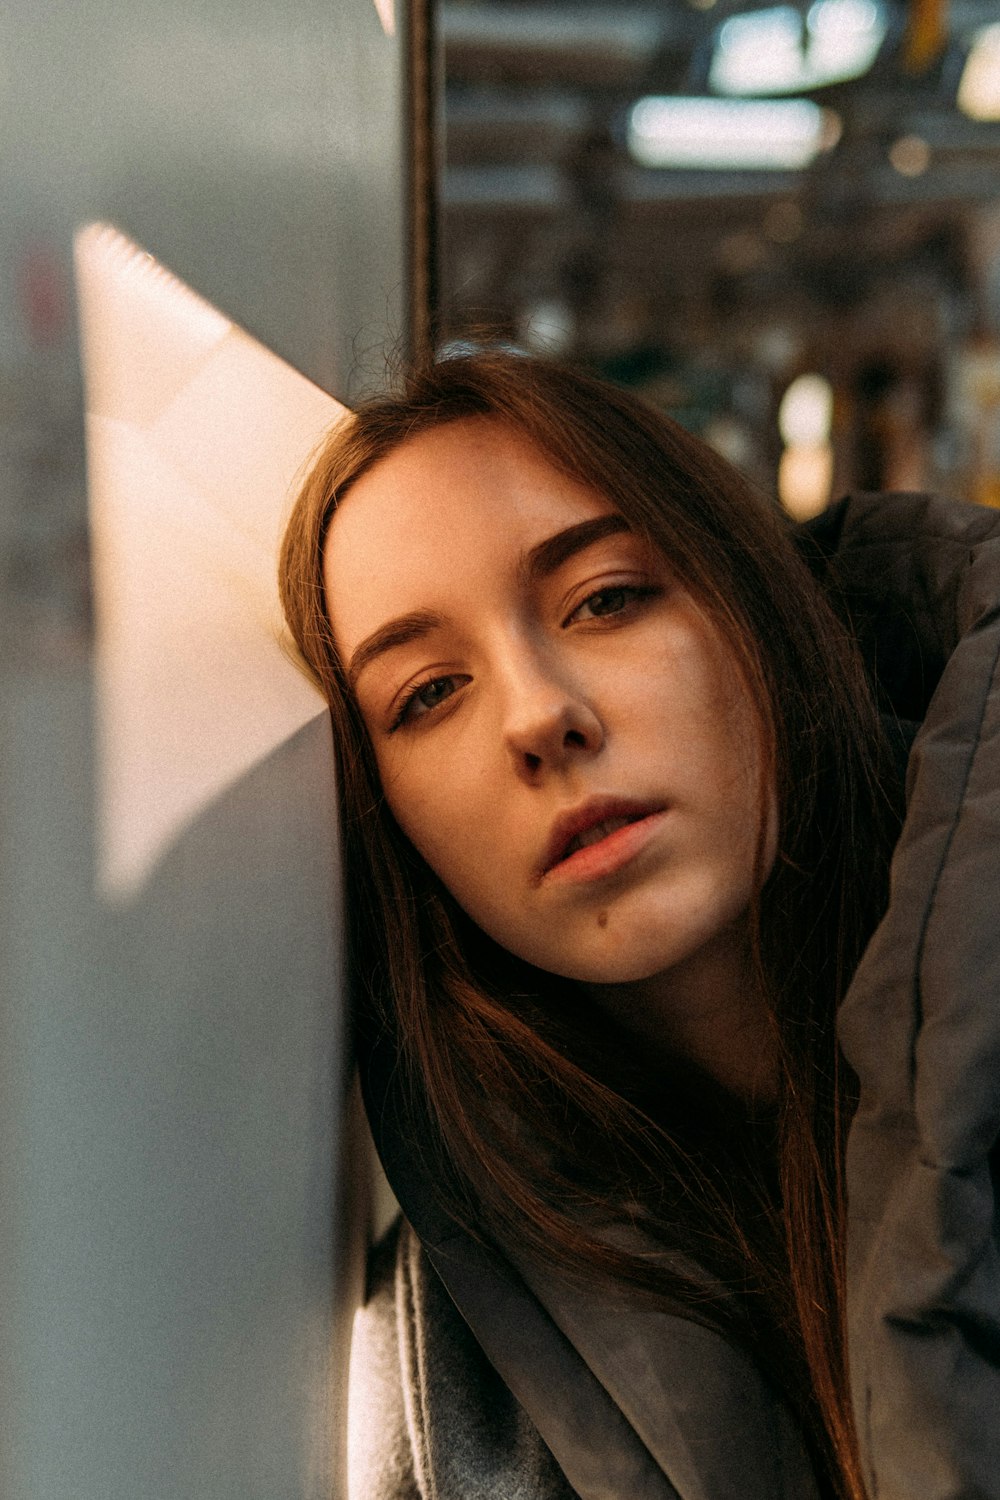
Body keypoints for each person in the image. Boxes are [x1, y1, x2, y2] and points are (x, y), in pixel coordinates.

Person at [279, 350, 1000, 1500]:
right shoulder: (437, 1385)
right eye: (427, 694)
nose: (539, 716)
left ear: (757, 604)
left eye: (605, 599)